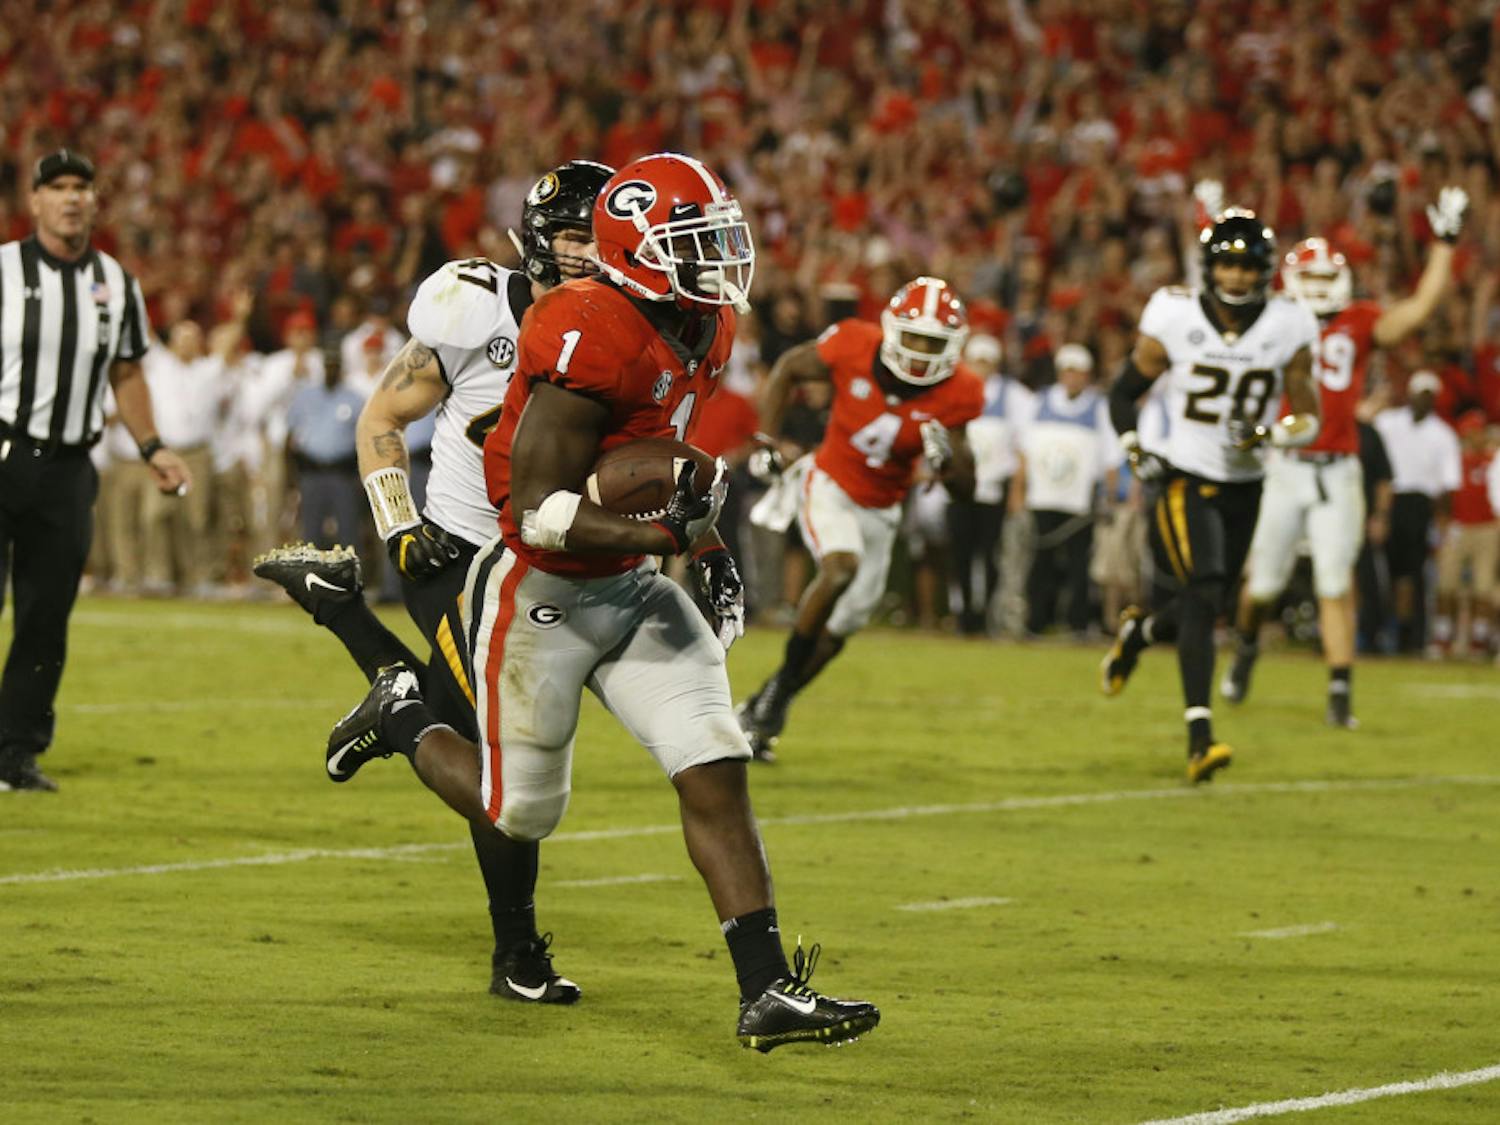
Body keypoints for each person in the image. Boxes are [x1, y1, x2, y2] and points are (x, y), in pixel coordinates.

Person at [318, 153, 877, 1052]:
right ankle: (406, 715)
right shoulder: (583, 328)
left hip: (625, 580)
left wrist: (704, 539)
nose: (718, 257)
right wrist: (670, 538)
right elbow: (542, 510)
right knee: (519, 811)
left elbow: (658, 464)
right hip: (533, 580)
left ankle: (766, 990)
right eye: (693, 241)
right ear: (636, 250)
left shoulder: (703, 324)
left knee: (713, 759)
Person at [253, 160, 615, 1003]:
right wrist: (399, 525)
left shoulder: (632, 319)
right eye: (574, 236)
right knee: (505, 766)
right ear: (537, 241)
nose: (591, 253)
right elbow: (383, 418)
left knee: (482, 752)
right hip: (458, 551)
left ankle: (361, 644)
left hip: (550, 566)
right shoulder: (476, 306)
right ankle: (517, 955)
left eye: (603, 237)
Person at [1222, 186, 1468, 725]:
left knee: (1336, 582)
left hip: (1338, 468)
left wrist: (1445, 243)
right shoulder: (1274, 318)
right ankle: (1245, 649)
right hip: (1285, 465)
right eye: (1307, 277)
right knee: (1262, 582)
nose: (1317, 287)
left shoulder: (1356, 321)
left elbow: (1419, 310)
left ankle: (1339, 693)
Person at [1100, 209, 1320, 783]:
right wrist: (1132, 443)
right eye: (1227, 264)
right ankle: (1201, 737)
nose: (1237, 278)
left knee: (1210, 602)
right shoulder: (1172, 313)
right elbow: (1124, 393)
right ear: (1208, 266)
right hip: (1183, 474)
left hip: (1245, 481)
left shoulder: (1290, 323)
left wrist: (1270, 433)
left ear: (1264, 272)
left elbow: (1310, 416)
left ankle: (1138, 634)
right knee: (1201, 591)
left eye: (1247, 267)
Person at [0, 149, 190, 792]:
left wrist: (152, 445)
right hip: (2, 455)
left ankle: (16, 753)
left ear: (95, 199)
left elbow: (127, 371)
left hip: (68, 469)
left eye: (82, 186)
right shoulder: (3, 270)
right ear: (35, 201)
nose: (72, 198)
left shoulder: (114, 282)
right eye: (58, 187)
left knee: (45, 616)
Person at [737, 276, 984, 760]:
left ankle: (770, 699)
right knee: (840, 567)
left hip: (884, 508)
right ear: (892, 329)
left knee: (843, 627)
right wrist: (766, 442)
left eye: (931, 343)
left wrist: (948, 462)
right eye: (912, 337)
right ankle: (774, 700)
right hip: (830, 481)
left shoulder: (961, 391)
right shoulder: (852, 343)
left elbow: (966, 489)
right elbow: (789, 367)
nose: (918, 351)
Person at [1017, 343, 1116, 638]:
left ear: (1086, 375)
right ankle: (1035, 621)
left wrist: (1108, 496)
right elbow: (1024, 451)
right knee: (1040, 562)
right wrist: (1019, 492)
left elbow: (1110, 456)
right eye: (1067, 371)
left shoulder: (1099, 407)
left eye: (1078, 372)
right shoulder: (1040, 402)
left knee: (1078, 566)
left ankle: (1078, 623)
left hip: (1079, 502)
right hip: (1043, 497)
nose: (1072, 378)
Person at [1372, 372, 1461, 653]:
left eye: (1428, 395)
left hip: (1419, 505)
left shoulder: (1443, 434)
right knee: (1379, 570)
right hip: (1388, 499)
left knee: (1411, 574)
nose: (1422, 400)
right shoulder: (1388, 422)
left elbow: (1447, 486)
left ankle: (1409, 635)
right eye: (1418, 393)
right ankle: (1375, 631)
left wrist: (1443, 521)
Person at [950, 333, 1033, 635]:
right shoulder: (953, 391)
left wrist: (1017, 490)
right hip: (959, 487)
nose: (980, 368)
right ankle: (963, 615)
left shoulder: (1015, 396)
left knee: (990, 556)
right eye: (976, 361)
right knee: (960, 555)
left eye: (985, 362)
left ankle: (987, 615)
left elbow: (1023, 448)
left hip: (994, 488)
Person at [1432, 411, 1498, 658]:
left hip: (1487, 527)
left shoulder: (1493, 460)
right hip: (1457, 527)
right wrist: (1442, 523)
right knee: (1445, 584)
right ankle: (1442, 635)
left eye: (1477, 431)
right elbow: (1442, 494)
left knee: (1484, 587)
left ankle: (1480, 639)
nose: (1474, 437)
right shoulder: (1453, 461)